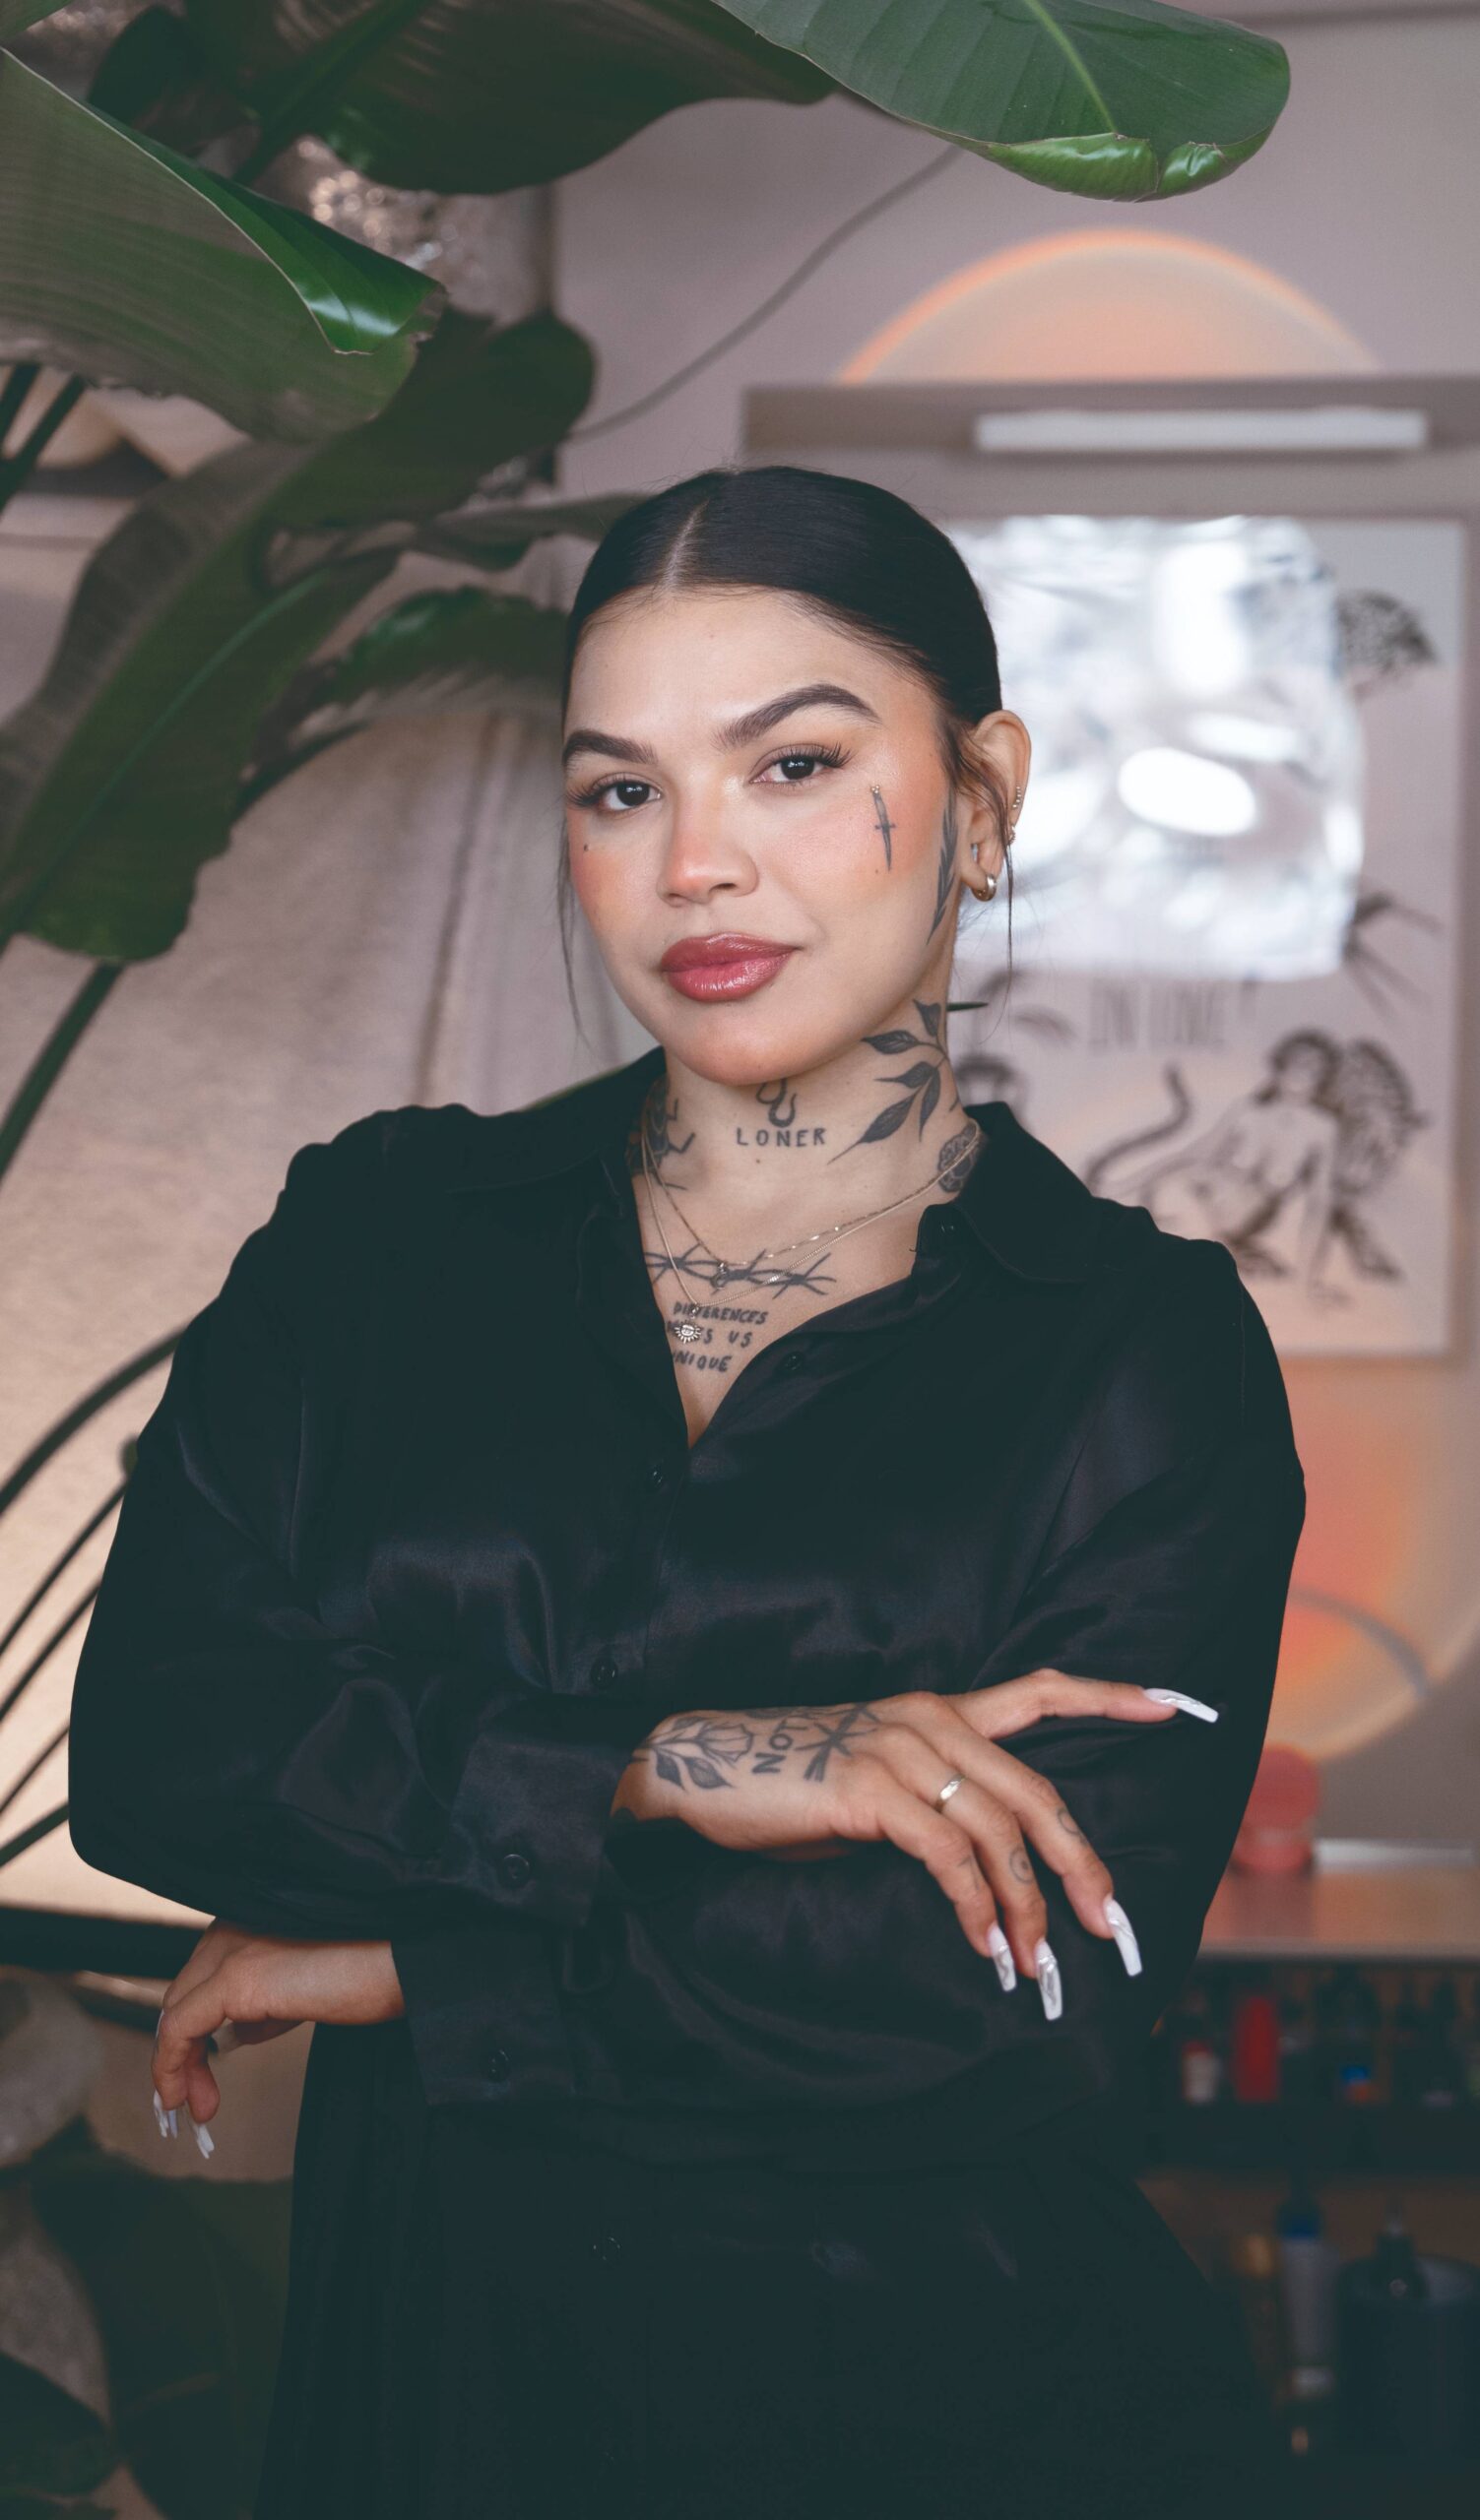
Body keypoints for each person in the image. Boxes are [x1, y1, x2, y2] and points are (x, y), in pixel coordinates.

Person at [66, 465, 1307, 2520]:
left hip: (956, 2414)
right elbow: (165, 1753)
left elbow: (1020, 1994)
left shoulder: (1133, 1346)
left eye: (794, 763)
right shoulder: (377, 1240)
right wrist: (681, 1762)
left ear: (980, 797)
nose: (697, 866)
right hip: (432, 2401)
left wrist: (420, 1960)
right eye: (617, 790)